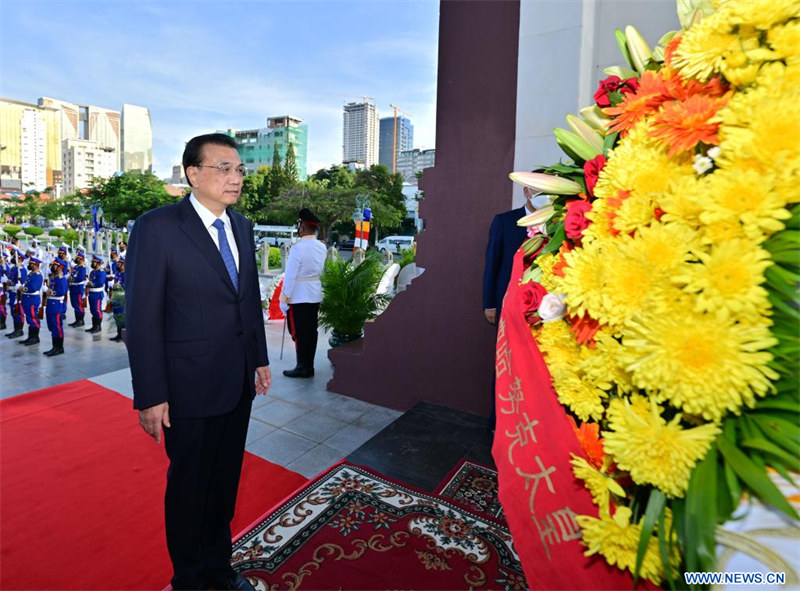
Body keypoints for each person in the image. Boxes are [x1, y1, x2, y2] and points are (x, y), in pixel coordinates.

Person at [126, 133, 271, 591]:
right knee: (190, 490)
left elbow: (247, 299)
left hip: (237, 382)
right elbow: (143, 315)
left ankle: (218, 570)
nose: (236, 179)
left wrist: (260, 359)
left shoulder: (242, 227)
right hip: (187, 386)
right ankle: (190, 580)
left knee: (224, 485)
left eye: (239, 170)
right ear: (193, 173)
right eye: (224, 168)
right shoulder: (159, 227)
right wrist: (151, 394)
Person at [482, 186, 541, 429]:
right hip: (508, 307)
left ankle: (529, 424)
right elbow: (491, 264)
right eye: (539, 190)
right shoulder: (505, 221)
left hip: (539, 309)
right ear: (527, 191)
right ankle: (499, 424)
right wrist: (490, 304)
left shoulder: (556, 223)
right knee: (505, 365)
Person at [280, 208, 326, 378]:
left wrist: (284, 299)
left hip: (299, 296)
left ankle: (302, 366)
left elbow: (290, 276)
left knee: (299, 333)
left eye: (300, 225)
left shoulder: (298, 248)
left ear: (304, 227)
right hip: (314, 295)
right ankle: (309, 365)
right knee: (311, 332)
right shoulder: (322, 247)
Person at [43, 259, 68, 356]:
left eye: (55, 265)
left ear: (60, 267)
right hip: (51, 303)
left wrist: (50, 291)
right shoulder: (53, 278)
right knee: (52, 325)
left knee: (57, 326)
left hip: (57, 304)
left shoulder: (62, 279)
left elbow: (62, 292)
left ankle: (59, 347)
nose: (53, 267)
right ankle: (54, 346)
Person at [18, 255, 43, 346]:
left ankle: (35, 338)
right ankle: (30, 337)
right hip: (27, 299)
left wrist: (23, 289)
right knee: (29, 318)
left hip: (32, 299)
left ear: (36, 265)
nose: (29, 265)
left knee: (33, 318)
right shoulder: (31, 274)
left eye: (31, 264)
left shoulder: (38, 275)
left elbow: (33, 288)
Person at [5, 250, 27, 339]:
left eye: (16, 258)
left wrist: (18, 285)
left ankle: (19, 330)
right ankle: (15, 329)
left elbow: (23, 283)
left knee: (19, 312)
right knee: (13, 311)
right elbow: (10, 279)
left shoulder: (22, 270)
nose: (14, 259)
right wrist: (8, 281)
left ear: (20, 260)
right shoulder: (13, 268)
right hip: (12, 293)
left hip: (18, 293)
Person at [85, 255, 106, 334]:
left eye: (94, 262)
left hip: (97, 293)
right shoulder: (92, 272)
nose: (92, 263)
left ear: (98, 263)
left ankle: (98, 326)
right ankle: (94, 325)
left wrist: (91, 284)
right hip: (92, 292)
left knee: (97, 310)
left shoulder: (102, 272)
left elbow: (100, 283)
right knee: (92, 309)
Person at [68, 252, 88, 327]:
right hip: (73, 287)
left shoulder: (82, 268)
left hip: (78, 288)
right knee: (74, 304)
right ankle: (77, 320)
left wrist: (72, 279)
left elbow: (80, 278)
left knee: (78, 304)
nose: (76, 259)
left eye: (78, 258)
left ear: (82, 259)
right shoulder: (76, 267)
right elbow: (73, 275)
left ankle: (80, 320)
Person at [109, 257, 125, 342]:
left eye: (120, 264)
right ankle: (119, 334)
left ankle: (123, 335)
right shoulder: (117, 274)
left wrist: (119, 286)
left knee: (121, 316)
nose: (118, 265)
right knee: (116, 316)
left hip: (122, 298)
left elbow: (127, 286)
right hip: (116, 297)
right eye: (118, 263)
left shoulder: (126, 274)